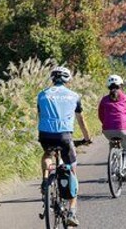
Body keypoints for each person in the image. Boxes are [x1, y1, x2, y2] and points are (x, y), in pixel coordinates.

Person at [37, 66, 91, 227]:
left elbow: (40, 116)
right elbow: (81, 120)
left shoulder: (42, 94)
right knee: (72, 171)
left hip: (45, 134)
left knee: (47, 154)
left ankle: (45, 180)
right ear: (67, 80)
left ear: (52, 79)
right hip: (65, 137)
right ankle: (72, 211)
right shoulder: (74, 96)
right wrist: (87, 138)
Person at [98, 74, 126, 182]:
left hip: (107, 130)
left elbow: (100, 115)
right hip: (123, 128)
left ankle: (113, 169)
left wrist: (106, 124)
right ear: (121, 86)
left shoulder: (104, 100)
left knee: (112, 144)